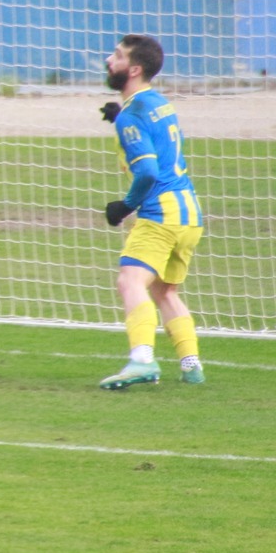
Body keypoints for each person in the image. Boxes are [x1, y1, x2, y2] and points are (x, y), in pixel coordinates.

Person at [97, 34, 205, 389]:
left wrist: (125, 205)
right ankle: (191, 366)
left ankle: (142, 360)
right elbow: (152, 132)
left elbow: (146, 171)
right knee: (165, 292)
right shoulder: (158, 102)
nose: (110, 60)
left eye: (117, 56)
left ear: (135, 68)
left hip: (161, 214)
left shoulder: (132, 115)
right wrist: (119, 117)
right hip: (189, 212)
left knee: (130, 281)